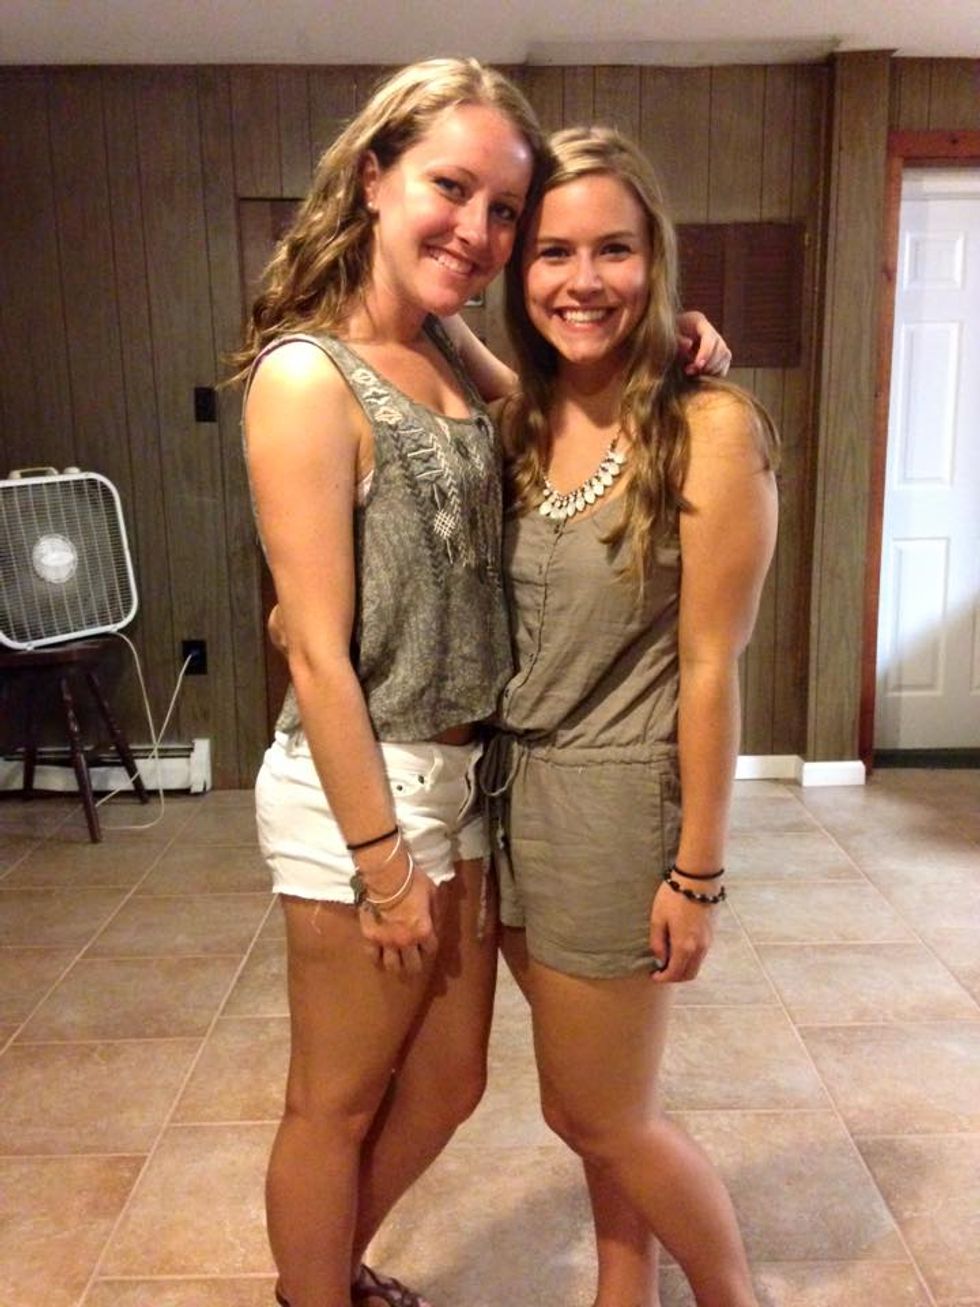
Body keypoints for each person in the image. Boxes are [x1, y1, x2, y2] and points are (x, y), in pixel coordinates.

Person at [242, 55, 731, 1307]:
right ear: (373, 177)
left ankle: (324, 1268)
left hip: (462, 779)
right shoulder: (307, 376)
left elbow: (572, 425)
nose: (476, 227)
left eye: (502, 208)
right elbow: (312, 650)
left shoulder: (447, 355)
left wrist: (663, 349)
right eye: (449, 187)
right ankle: (313, 1290)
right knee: (333, 1097)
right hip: (366, 788)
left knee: (448, 1081)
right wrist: (380, 861)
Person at [485, 126, 779, 1306]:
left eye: (613, 249)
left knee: (601, 1112)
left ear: (655, 258)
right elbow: (432, 324)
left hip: (615, 802)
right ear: (517, 269)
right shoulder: (521, 415)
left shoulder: (709, 426)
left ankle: (730, 1295)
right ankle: (624, 1281)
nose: (582, 279)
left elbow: (709, 663)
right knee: (593, 1102)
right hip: (509, 795)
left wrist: (696, 872)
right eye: (551, 252)